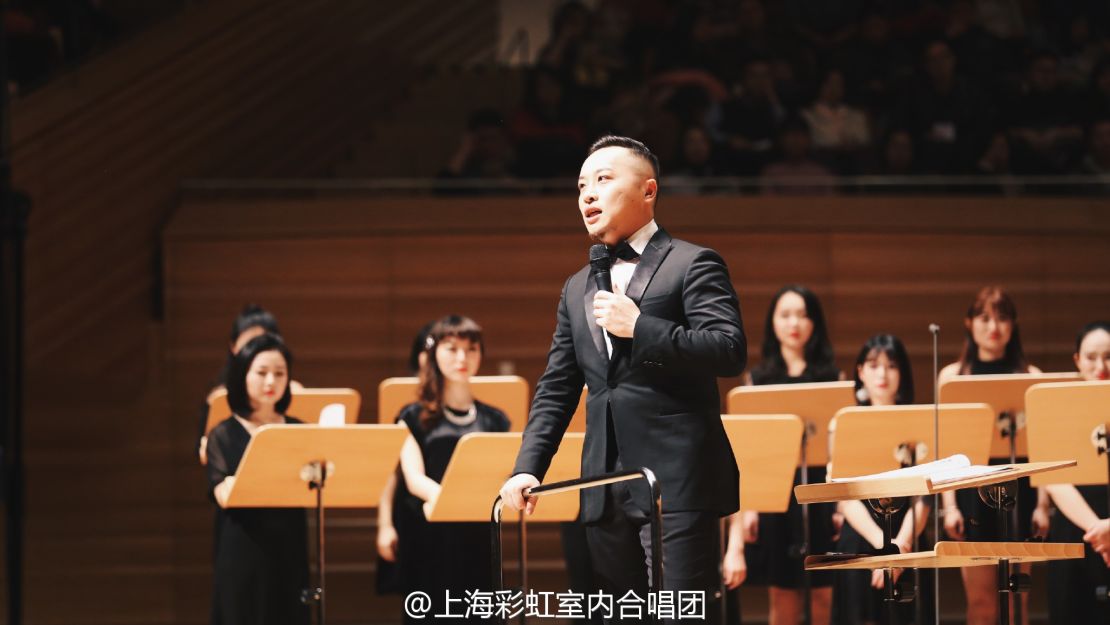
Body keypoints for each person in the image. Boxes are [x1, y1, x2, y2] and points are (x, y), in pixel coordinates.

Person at [500, 135, 746, 625]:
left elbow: (728, 350)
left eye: (604, 180)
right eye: (581, 185)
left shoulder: (691, 263)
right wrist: (527, 467)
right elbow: (557, 386)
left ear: (648, 191)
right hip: (603, 483)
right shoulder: (576, 287)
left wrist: (642, 328)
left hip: (675, 482)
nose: (587, 195)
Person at [938, 286, 1047, 625]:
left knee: (1018, 603)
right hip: (971, 492)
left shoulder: (1032, 376)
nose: (993, 327)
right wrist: (950, 506)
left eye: (1002, 318)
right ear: (969, 323)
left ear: (1013, 325)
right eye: (984, 318)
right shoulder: (954, 376)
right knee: (981, 604)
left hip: (1021, 490)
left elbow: (1044, 447)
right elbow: (946, 448)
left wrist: (1043, 505)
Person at [392, 315, 510, 623]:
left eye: (471, 349)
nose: (462, 358)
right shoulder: (411, 416)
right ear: (433, 354)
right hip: (430, 538)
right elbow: (414, 479)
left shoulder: (496, 419)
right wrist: (456, 501)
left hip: (480, 536)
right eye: (452, 348)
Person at [734, 285, 840, 625]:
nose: (794, 322)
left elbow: (841, 448)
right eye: (785, 315)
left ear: (814, 324)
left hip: (822, 494)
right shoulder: (757, 379)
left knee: (825, 597)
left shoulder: (833, 379)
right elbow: (748, 451)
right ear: (773, 323)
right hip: (776, 495)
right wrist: (749, 506)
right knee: (782, 599)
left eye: (803, 314)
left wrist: (840, 503)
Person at [206, 332, 308, 625]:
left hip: (290, 546)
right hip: (243, 550)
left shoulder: (298, 429)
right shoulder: (223, 434)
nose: (271, 382)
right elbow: (222, 493)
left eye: (280, 373)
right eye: (261, 372)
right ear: (242, 375)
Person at [831, 334, 930, 625]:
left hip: (907, 535)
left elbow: (925, 496)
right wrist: (885, 549)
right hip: (861, 536)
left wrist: (900, 547)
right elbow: (844, 497)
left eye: (892, 366)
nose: (882, 374)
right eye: (874, 365)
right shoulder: (844, 422)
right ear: (860, 371)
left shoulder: (918, 421)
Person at [1044, 321, 1110, 623]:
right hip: (1075, 528)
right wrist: (1099, 530)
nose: (1101, 366)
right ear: (1077, 360)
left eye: (1109, 356)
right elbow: (1054, 479)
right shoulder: (1061, 408)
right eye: (1091, 357)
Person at [197, 304, 302, 466]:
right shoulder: (217, 398)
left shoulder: (293, 396)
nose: (270, 381)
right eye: (251, 344)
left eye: (279, 373)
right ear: (234, 347)